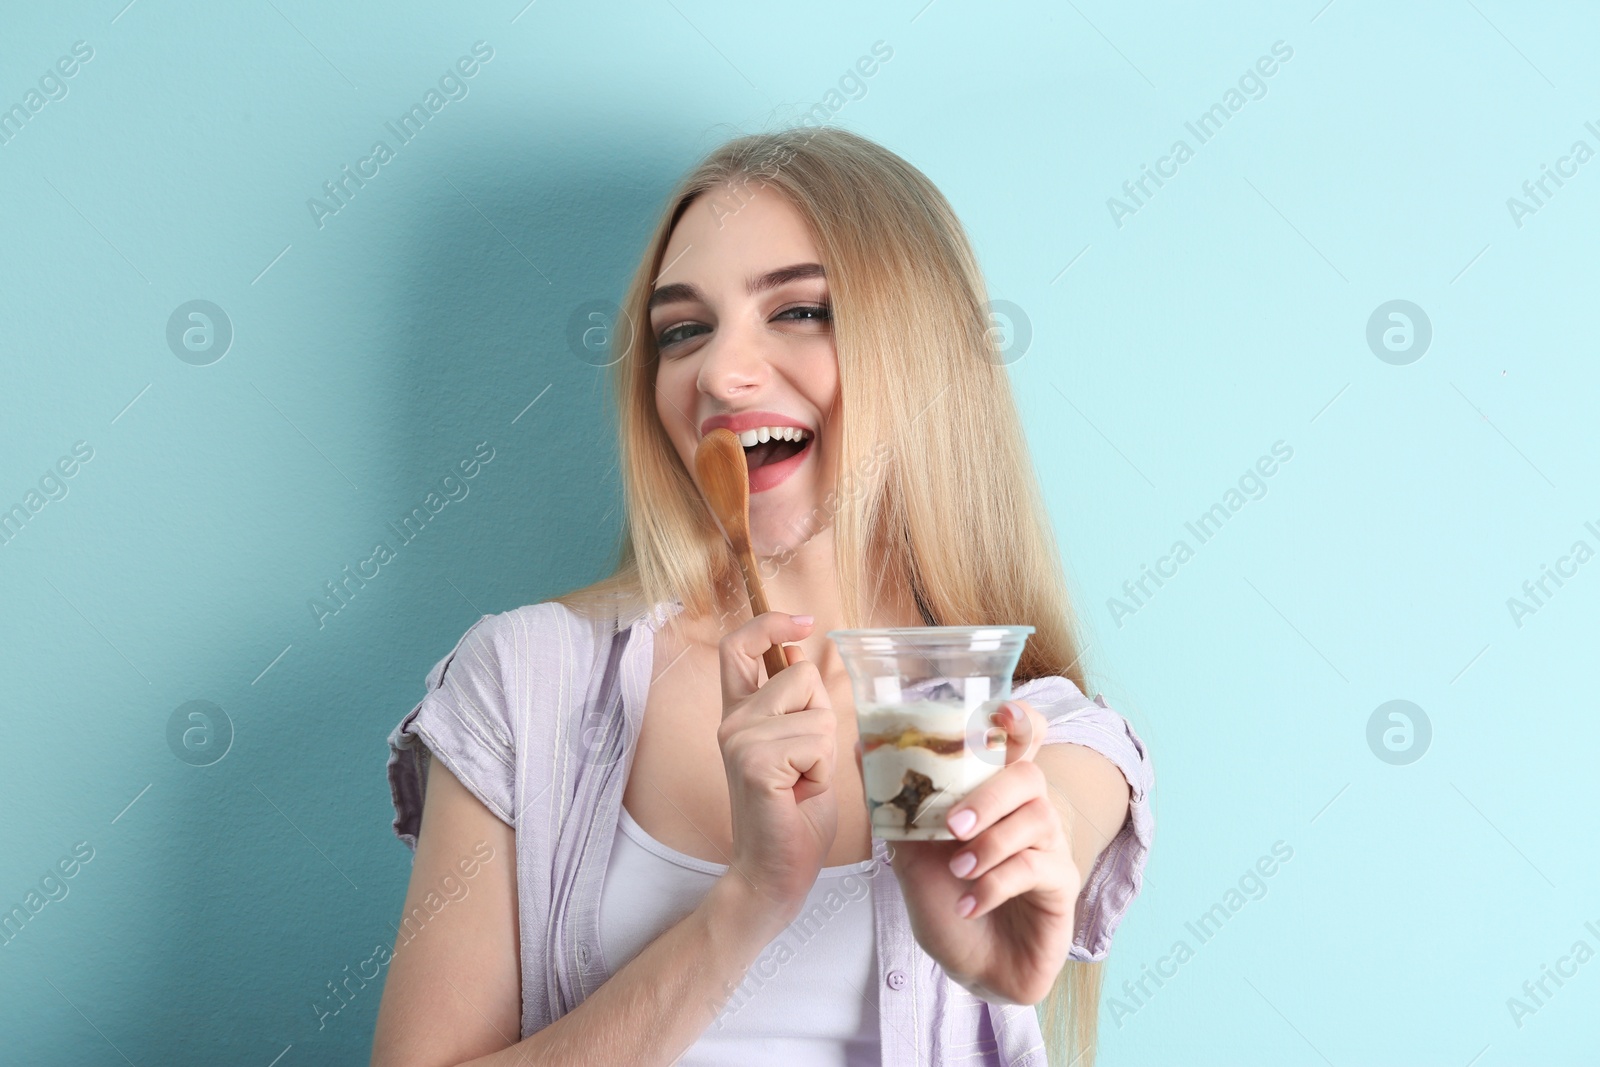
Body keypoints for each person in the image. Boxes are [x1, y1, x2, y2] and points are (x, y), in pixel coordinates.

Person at [372, 126, 1154, 1067]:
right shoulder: (525, 680)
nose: (717, 372)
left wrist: (1005, 900)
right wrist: (747, 901)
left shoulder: (1028, 726)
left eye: (799, 311)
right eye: (683, 330)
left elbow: (1055, 810)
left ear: (925, 349)